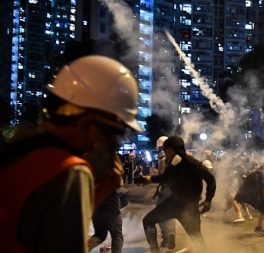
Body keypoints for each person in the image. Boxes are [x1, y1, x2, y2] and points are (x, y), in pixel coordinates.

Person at [0, 55, 142, 253]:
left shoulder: (21, 146)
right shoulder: (70, 171)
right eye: (112, 134)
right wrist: (99, 191)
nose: (110, 145)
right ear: (90, 125)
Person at [138, 136, 216, 253]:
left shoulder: (193, 164)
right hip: (173, 203)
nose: (165, 153)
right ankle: (154, 250)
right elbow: (166, 178)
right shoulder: (172, 166)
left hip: (189, 208)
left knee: (198, 241)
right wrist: (149, 178)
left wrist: (208, 200)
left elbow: (211, 180)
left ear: (174, 150)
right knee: (148, 221)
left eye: (166, 150)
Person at [155, 135, 176, 250]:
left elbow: (161, 176)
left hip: (165, 190)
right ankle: (171, 234)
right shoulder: (177, 158)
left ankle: (166, 237)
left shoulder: (163, 160)